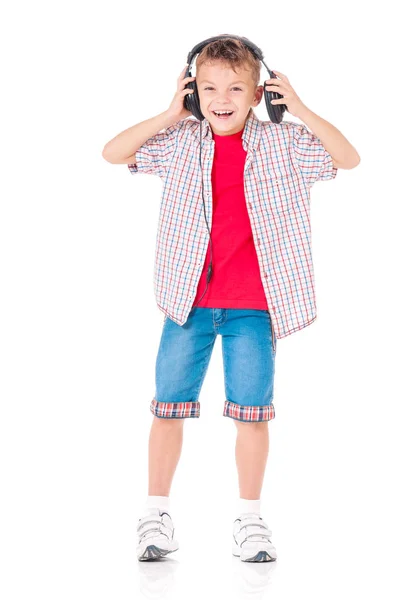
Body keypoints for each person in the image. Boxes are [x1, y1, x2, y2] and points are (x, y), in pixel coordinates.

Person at [102, 36, 360, 563]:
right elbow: (113, 152)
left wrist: (300, 108)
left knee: (252, 412)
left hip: (253, 309)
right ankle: (156, 514)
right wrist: (170, 112)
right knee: (167, 406)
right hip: (187, 305)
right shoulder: (181, 140)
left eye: (237, 88)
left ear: (258, 95)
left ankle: (250, 518)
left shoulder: (283, 144)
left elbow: (348, 158)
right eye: (210, 88)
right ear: (194, 92)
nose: (223, 98)